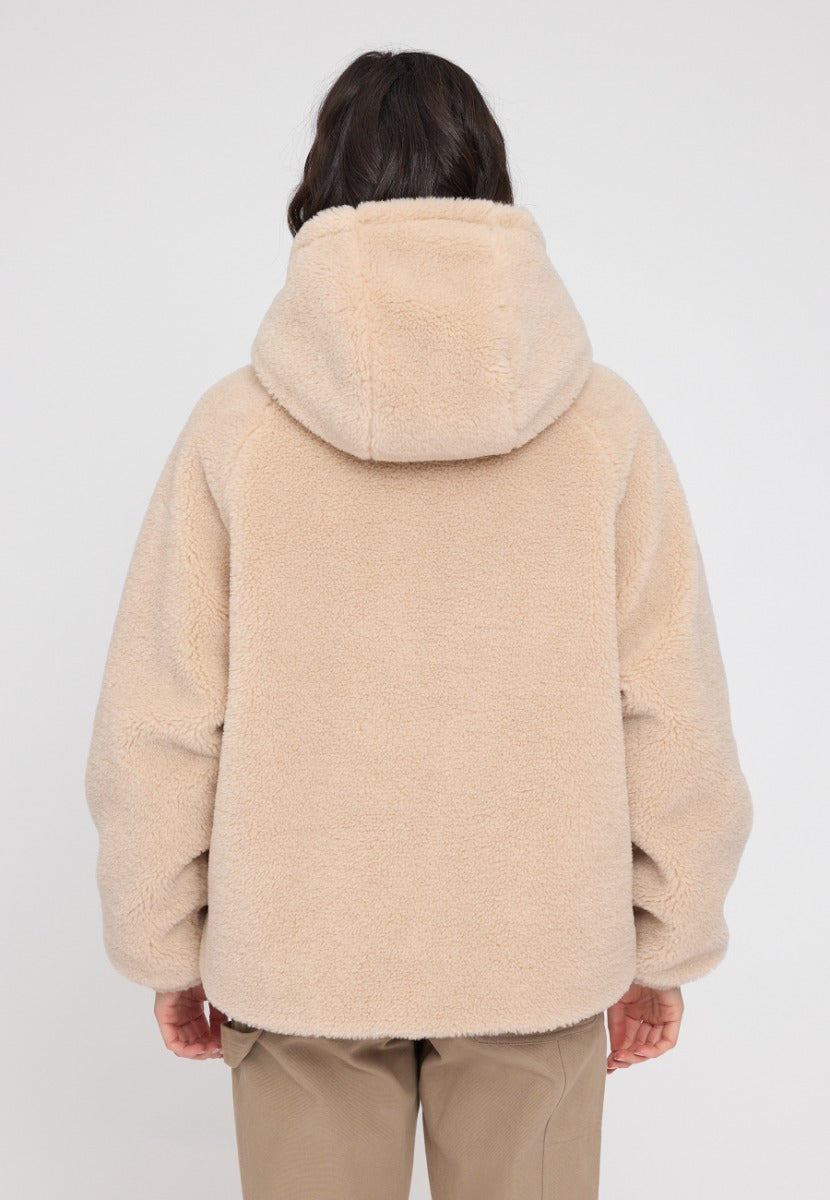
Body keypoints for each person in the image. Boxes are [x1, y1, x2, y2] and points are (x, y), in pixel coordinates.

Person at [84, 48, 753, 1200]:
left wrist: (163, 940)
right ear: (489, 183)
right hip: (536, 950)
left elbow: (162, 715)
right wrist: (668, 938)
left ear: (318, 189)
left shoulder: (237, 431)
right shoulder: (601, 426)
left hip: (299, 956)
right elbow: (671, 704)